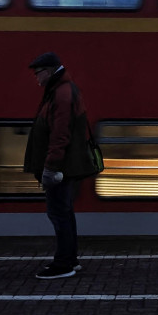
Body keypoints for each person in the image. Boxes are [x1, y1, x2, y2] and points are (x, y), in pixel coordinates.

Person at [24, 51, 98, 279]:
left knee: (59, 214)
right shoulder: (59, 90)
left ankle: (64, 263)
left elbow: (60, 135)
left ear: (48, 71)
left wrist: (50, 167)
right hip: (62, 166)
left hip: (61, 168)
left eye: (38, 74)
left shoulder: (61, 93)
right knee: (63, 213)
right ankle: (69, 259)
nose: (37, 79)